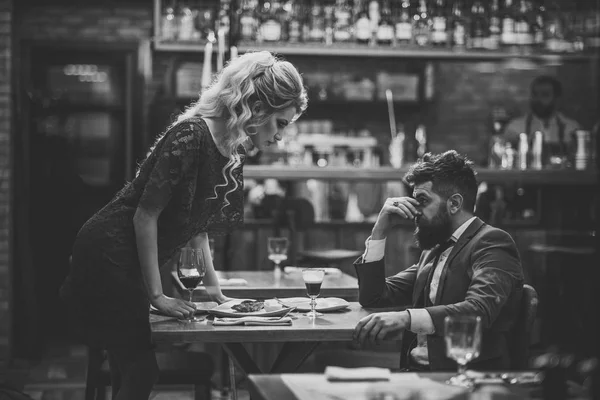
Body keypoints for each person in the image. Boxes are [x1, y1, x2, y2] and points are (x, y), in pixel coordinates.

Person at [60, 51, 307, 399]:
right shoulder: (191, 135)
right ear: (258, 107)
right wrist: (157, 295)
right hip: (108, 251)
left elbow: (198, 227)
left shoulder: (230, 147)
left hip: (125, 256)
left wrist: (215, 292)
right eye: (281, 123)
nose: (281, 136)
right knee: (140, 370)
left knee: (128, 370)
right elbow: (144, 216)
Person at [352, 150, 524, 371]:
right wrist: (379, 231)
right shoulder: (434, 249)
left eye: (422, 200)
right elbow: (374, 297)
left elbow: (478, 311)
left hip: (464, 379)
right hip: (416, 374)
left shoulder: (492, 242)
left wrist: (406, 318)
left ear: (454, 204)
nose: (415, 211)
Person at [504, 75, 581, 160]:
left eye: (545, 95)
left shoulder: (571, 128)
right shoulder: (515, 128)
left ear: (557, 99)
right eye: (535, 94)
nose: (538, 99)